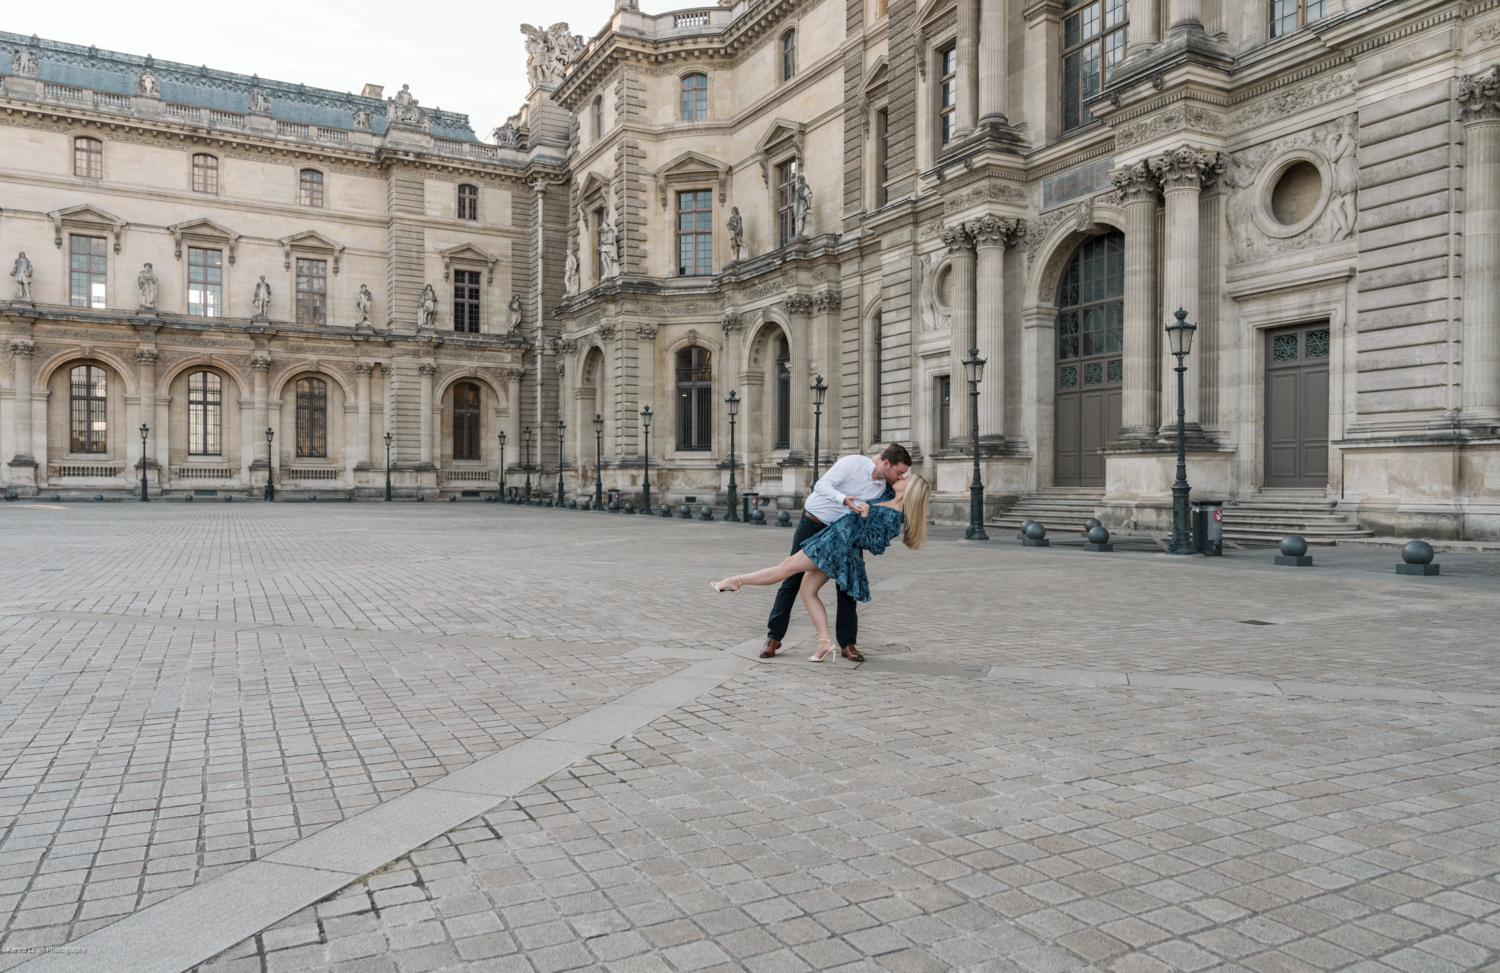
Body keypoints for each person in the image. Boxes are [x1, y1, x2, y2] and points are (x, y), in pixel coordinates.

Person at [713, 472, 930, 662]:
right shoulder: (888, 496)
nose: (901, 477)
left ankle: (735, 581)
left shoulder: (894, 517)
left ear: (910, 490)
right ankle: (824, 642)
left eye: (906, 478)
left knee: (786, 568)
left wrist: (864, 515)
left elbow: (875, 544)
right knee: (807, 591)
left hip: (836, 546)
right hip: (832, 538)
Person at [758, 443, 911, 661]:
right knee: (792, 578)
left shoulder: (887, 486)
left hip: (845, 534)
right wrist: (843, 499)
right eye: (898, 472)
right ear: (886, 463)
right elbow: (822, 485)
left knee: (847, 586)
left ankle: (848, 644)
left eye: (902, 474)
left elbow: (900, 497)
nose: (899, 477)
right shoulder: (853, 463)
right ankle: (773, 637)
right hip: (813, 523)